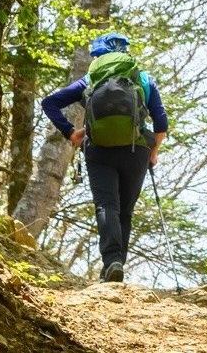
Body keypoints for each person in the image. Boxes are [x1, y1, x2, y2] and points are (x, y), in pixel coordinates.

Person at [41, 32, 168, 283]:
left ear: (97, 56)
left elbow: (50, 103)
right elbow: (161, 122)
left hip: (99, 149)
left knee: (106, 205)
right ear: (125, 52)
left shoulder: (90, 80)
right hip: (137, 150)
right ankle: (117, 264)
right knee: (125, 211)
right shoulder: (143, 78)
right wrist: (153, 152)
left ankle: (112, 262)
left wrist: (71, 133)